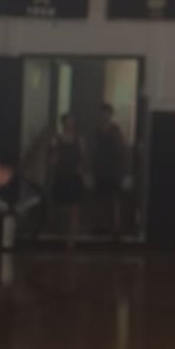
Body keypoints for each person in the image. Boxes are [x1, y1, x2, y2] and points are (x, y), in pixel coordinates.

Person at [48, 113, 85, 249]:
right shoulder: (56, 139)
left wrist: (81, 170)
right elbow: (52, 159)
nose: (70, 124)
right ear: (63, 123)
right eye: (67, 121)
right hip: (61, 175)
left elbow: (83, 157)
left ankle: (72, 239)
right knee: (59, 206)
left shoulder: (79, 139)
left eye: (72, 121)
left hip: (74, 176)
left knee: (74, 208)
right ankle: (58, 231)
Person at [92, 103, 127, 236]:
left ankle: (116, 228)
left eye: (106, 114)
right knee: (100, 198)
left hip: (113, 170)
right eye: (102, 113)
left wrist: (121, 171)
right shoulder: (97, 130)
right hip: (101, 169)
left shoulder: (115, 131)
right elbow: (96, 150)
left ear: (110, 115)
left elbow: (121, 151)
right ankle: (101, 225)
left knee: (114, 199)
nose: (104, 116)